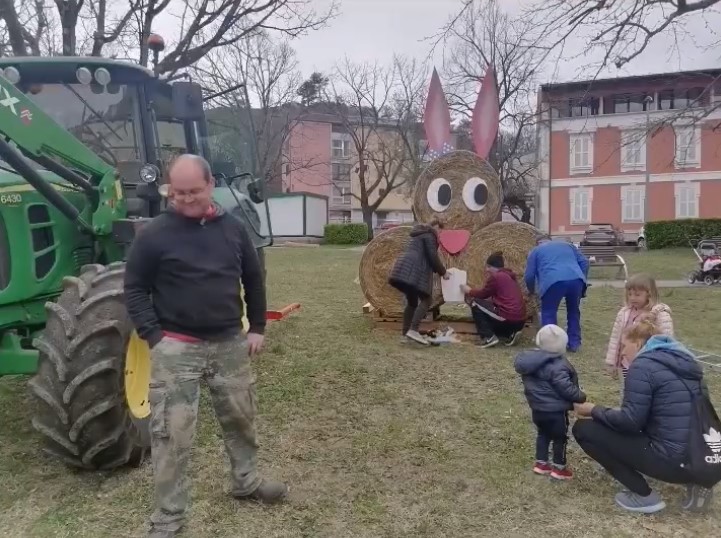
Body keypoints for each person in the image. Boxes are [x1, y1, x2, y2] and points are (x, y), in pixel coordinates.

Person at [124, 154, 288, 538]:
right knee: (171, 434)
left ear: (210, 184)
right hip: (176, 349)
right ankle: (168, 518)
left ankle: (246, 481)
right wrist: (154, 337)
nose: (184, 199)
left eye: (193, 192)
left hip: (230, 343)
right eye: (177, 193)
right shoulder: (154, 234)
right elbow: (134, 288)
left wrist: (258, 327)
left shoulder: (233, 229)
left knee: (241, 419)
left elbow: (254, 277)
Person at [573, 318, 714, 514]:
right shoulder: (688, 364)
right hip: (706, 458)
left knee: (584, 429)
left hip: (673, 462)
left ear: (638, 343)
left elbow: (630, 422)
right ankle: (698, 480)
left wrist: (594, 409)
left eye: (624, 346)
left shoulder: (643, 365)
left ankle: (644, 496)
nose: (621, 352)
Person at [514, 324, 586, 480]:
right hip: (556, 412)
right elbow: (565, 388)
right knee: (560, 438)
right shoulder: (558, 365)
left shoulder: (530, 362)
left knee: (542, 434)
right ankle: (559, 468)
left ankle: (541, 464)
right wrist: (580, 396)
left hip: (537, 409)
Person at [604, 273, 674, 397]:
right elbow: (615, 338)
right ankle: (626, 411)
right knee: (627, 390)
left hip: (648, 366)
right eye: (630, 294)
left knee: (644, 393)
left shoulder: (660, 315)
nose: (632, 298)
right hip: (626, 362)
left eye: (637, 294)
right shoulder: (624, 313)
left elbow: (667, 341)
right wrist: (611, 361)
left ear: (649, 294)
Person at [388, 218, 450, 345]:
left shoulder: (418, 234)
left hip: (405, 268)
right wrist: (443, 272)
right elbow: (432, 257)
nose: (440, 235)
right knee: (427, 300)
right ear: (436, 227)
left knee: (412, 303)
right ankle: (413, 330)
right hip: (414, 269)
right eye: (440, 231)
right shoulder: (429, 235)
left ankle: (405, 335)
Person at [524, 237, 589, 352]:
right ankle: (574, 344)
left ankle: (550, 347)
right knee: (573, 312)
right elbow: (584, 262)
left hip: (552, 281)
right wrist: (582, 278)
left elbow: (529, 275)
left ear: (538, 243)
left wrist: (531, 290)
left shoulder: (536, 251)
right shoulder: (567, 245)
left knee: (549, 313)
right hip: (576, 280)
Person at [460, 251, 527, 348]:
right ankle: (511, 333)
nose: (486, 270)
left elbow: (482, 294)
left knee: (475, 302)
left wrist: (469, 290)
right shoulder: (510, 276)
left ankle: (489, 337)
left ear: (494, 267)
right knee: (490, 309)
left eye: (488, 267)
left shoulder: (496, 277)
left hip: (508, 317)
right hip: (520, 321)